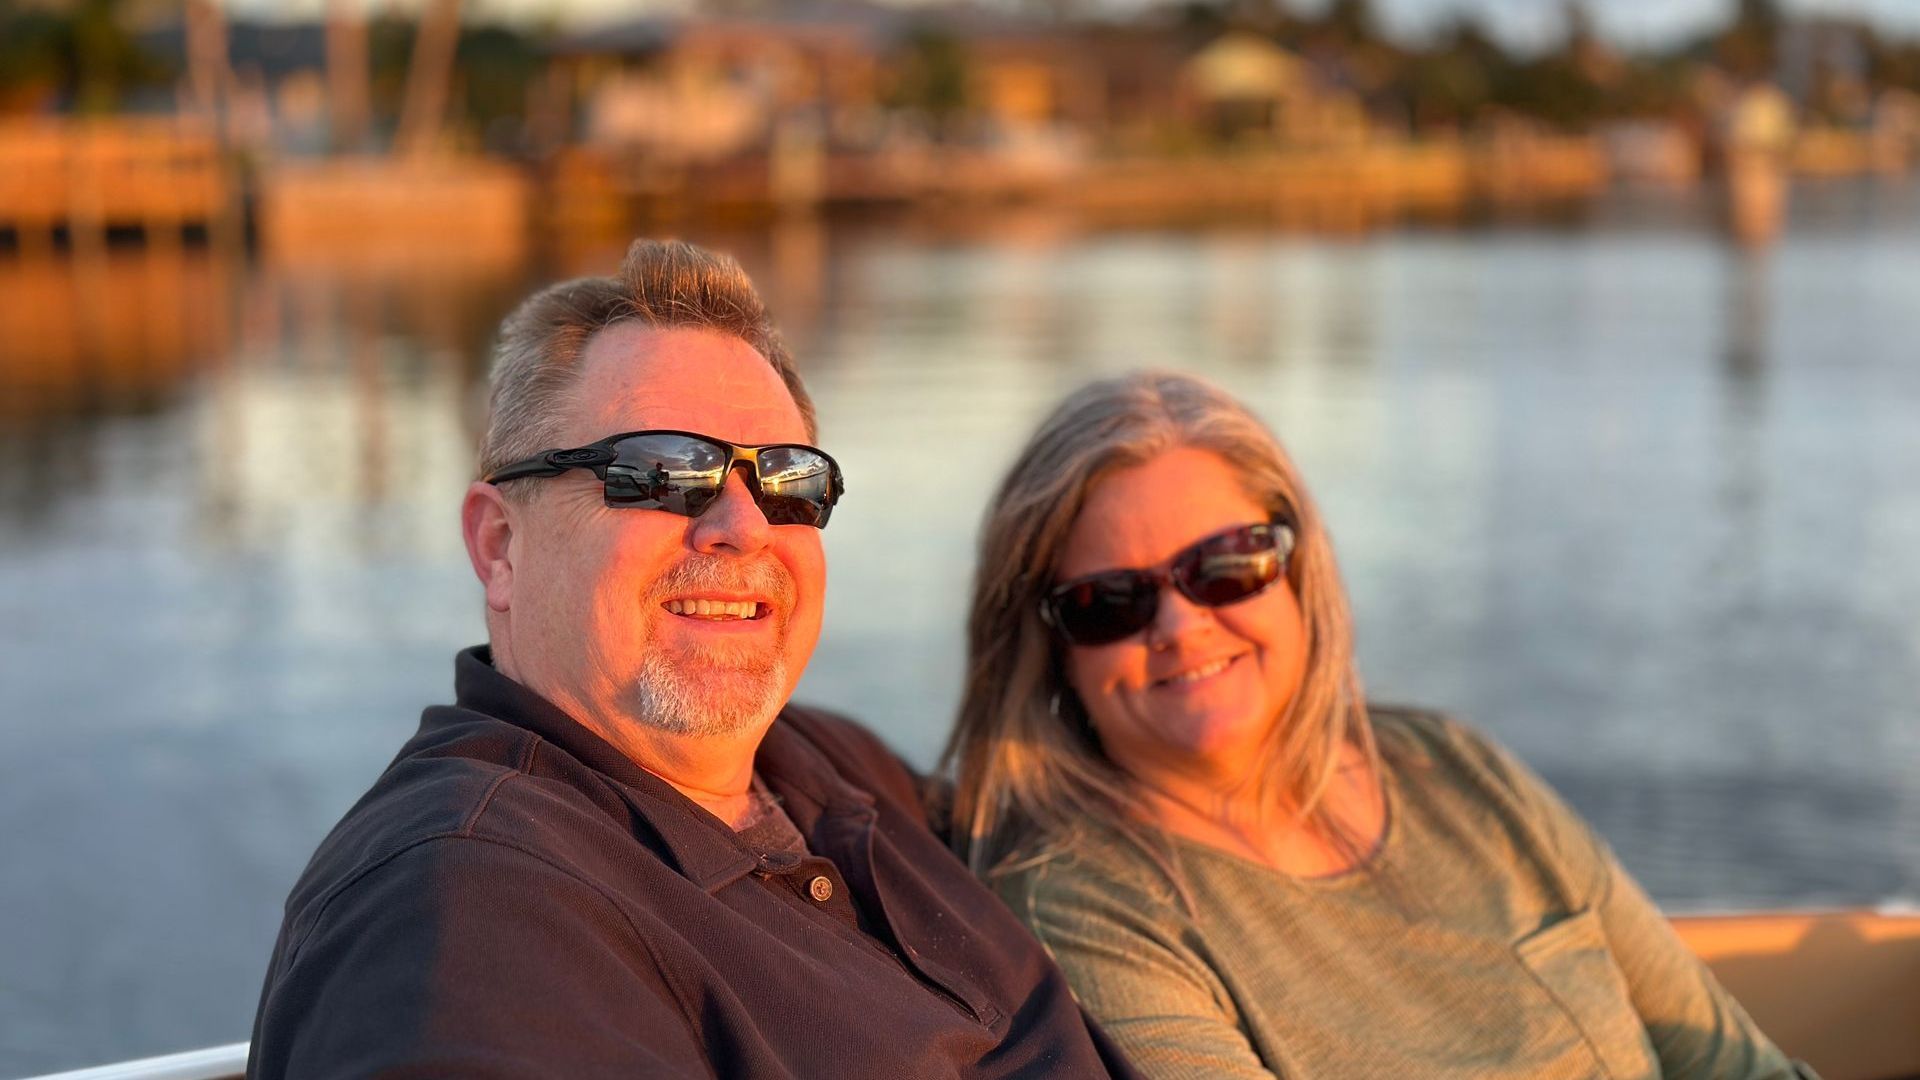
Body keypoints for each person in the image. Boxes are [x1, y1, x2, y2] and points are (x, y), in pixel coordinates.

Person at [249, 240, 1140, 1079]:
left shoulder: (828, 766)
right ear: (499, 545)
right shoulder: (468, 907)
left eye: (789, 479)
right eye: (663, 472)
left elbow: (1087, 838)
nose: (743, 526)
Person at [942, 370, 1809, 1079]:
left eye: (1226, 567)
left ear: (1297, 572)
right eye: (1109, 602)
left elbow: (1733, 1063)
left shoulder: (1453, 767)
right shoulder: (1086, 913)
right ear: (1050, 650)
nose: (1179, 625)